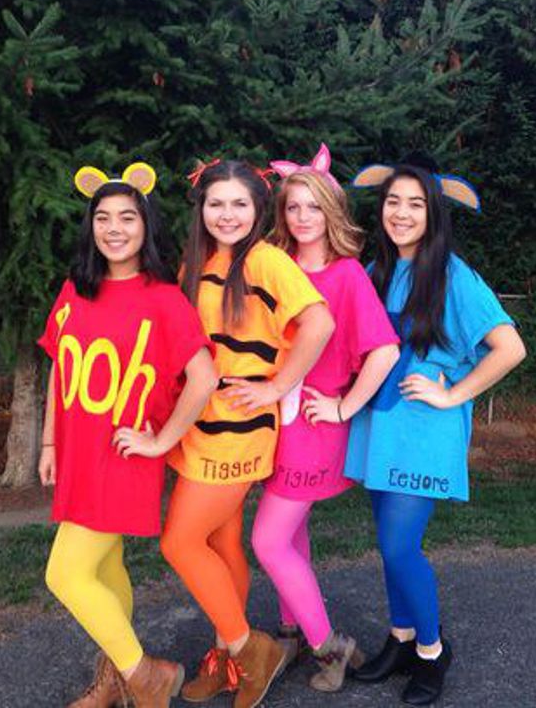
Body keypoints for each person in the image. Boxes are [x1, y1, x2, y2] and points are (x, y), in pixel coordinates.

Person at [345, 156, 527, 706]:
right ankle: (401, 639)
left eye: (415, 204)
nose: (401, 213)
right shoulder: (377, 270)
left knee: (400, 546)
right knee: (388, 545)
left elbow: (510, 348)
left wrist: (453, 393)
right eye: (393, 202)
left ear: (434, 213)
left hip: (423, 432)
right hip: (380, 426)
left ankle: (431, 651)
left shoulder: (451, 275)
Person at [38, 163, 217, 708]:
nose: (114, 228)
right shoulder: (76, 289)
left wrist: (161, 441)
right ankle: (116, 681)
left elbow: (204, 377)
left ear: (146, 225)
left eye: (127, 218)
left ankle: (145, 674)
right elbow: (59, 366)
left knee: (65, 573)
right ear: (91, 225)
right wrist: (49, 442)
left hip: (121, 455)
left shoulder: (163, 298)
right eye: (103, 218)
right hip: (78, 452)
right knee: (105, 565)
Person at [160, 159, 335, 708]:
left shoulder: (265, 260)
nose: (227, 214)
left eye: (239, 204)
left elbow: (320, 322)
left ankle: (252, 650)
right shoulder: (197, 262)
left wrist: (277, 384)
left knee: (179, 542)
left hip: (237, 427)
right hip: (200, 421)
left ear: (258, 210)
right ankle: (228, 661)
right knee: (220, 543)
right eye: (216, 203)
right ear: (201, 209)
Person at [250, 144, 400, 692]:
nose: (302, 217)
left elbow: (384, 351)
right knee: (292, 533)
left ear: (332, 211)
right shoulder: (276, 268)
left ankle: (330, 646)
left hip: (315, 426)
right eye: (292, 207)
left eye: (314, 206)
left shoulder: (347, 276)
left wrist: (343, 406)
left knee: (268, 540)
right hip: (274, 420)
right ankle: (290, 630)